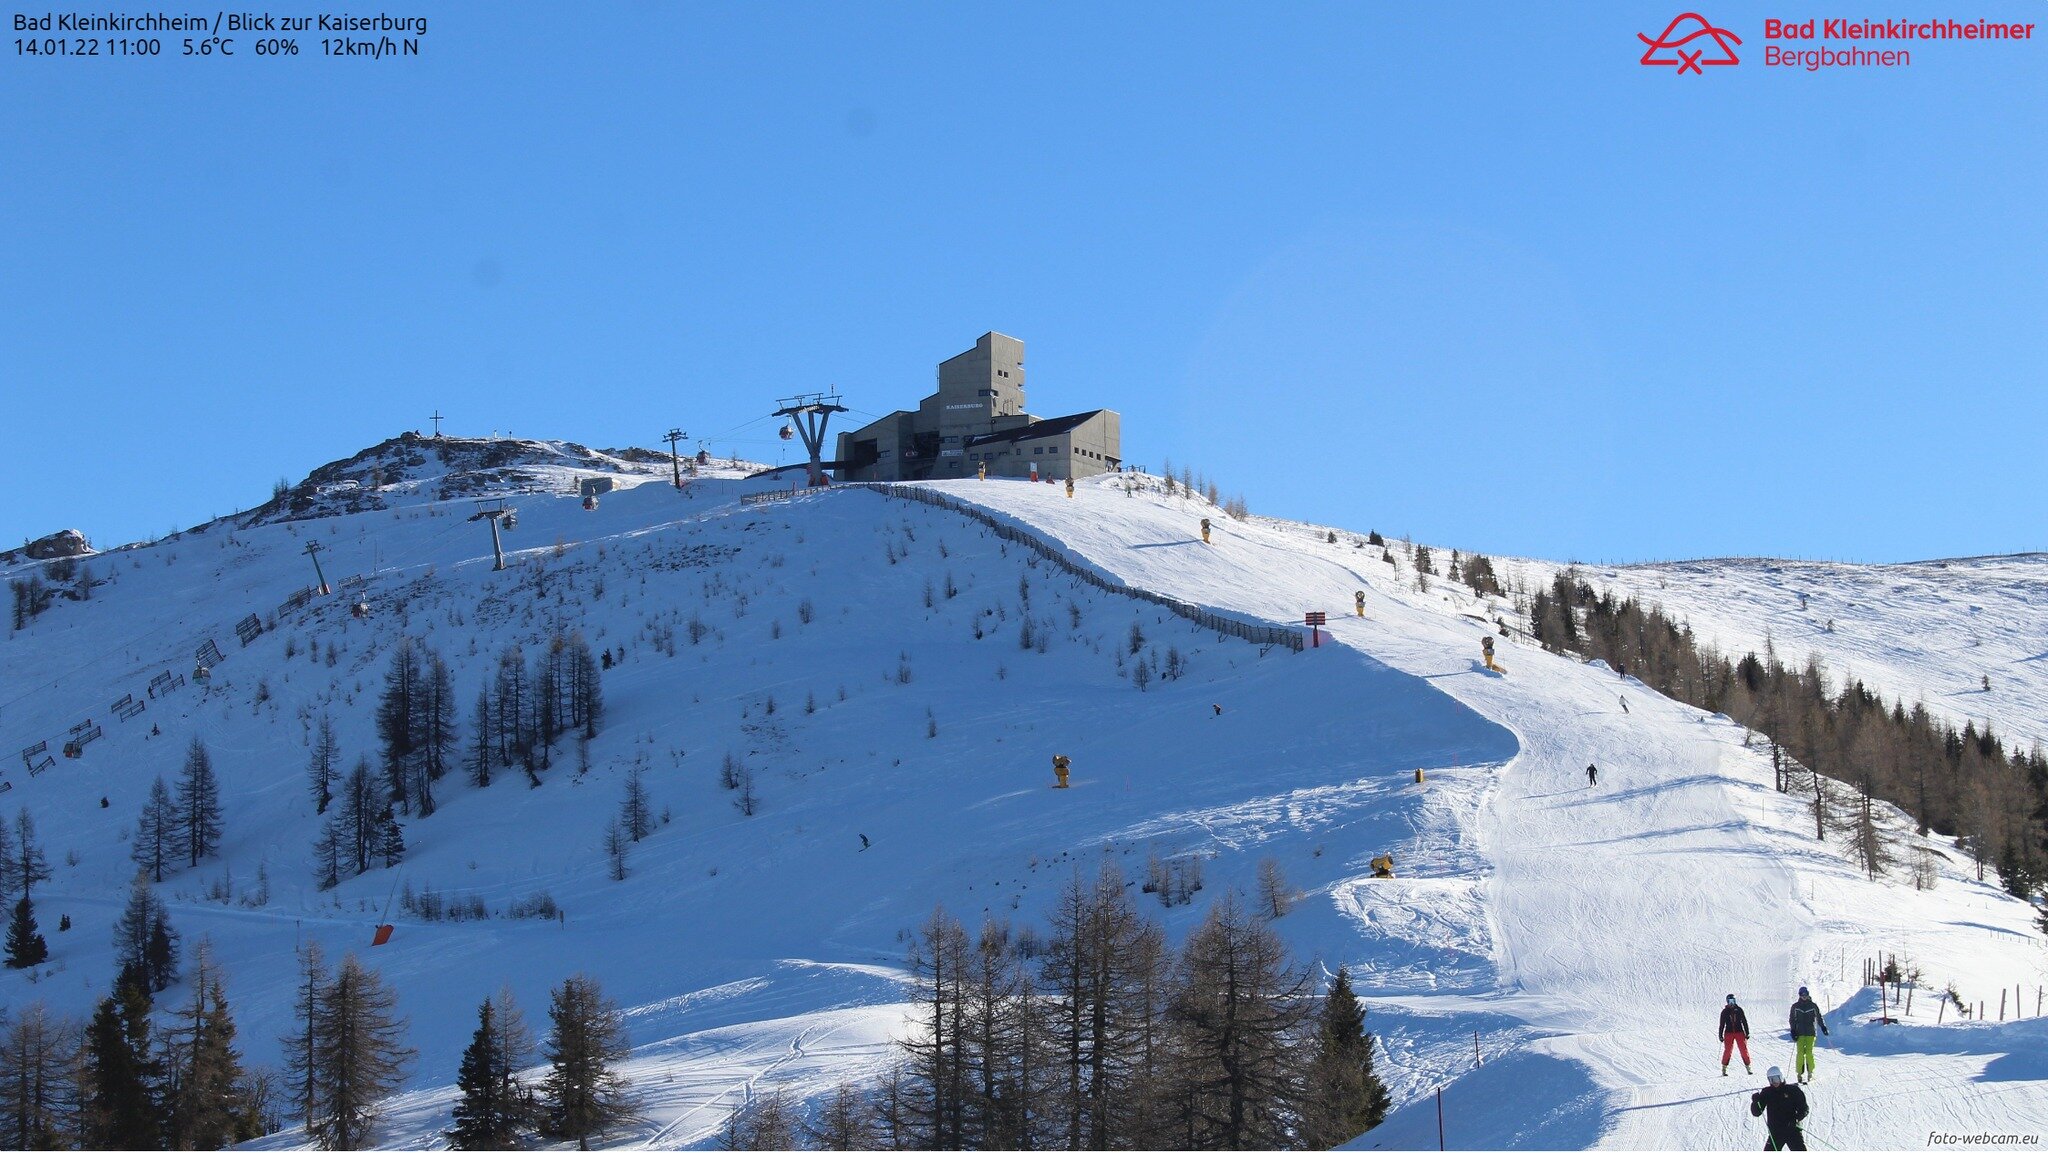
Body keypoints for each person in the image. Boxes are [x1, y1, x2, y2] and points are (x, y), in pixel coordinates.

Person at [1749, 1067, 1808, 1150]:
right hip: (1776, 1132)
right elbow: (1756, 1113)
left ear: (1781, 1077)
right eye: (1771, 1079)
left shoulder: (1793, 1090)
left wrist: (1796, 1119)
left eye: (1776, 1079)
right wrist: (1755, 1102)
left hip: (1792, 1130)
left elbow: (1804, 1108)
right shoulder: (1767, 1092)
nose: (1774, 1082)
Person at [1789, 986, 1829, 1083]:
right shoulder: (1795, 1006)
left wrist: (1823, 1027)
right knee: (1800, 1053)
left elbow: (1819, 1017)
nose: (1804, 996)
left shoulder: (1813, 1006)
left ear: (1808, 994)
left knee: (1809, 1053)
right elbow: (1792, 1019)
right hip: (1800, 1033)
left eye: (1805, 994)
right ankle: (1799, 1074)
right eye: (1802, 994)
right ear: (1799, 995)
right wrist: (1793, 1030)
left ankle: (1810, 1072)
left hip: (1811, 1033)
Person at [1720, 993, 1753, 1076]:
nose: (1731, 1003)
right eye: (1730, 1001)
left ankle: (1748, 1067)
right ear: (1727, 1002)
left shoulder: (1739, 1010)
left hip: (1739, 1032)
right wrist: (1720, 1035)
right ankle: (1724, 1068)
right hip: (1729, 1033)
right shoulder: (1725, 1011)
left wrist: (1747, 1032)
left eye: (1733, 1001)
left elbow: (1744, 1021)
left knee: (1743, 1050)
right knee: (1728, 1050)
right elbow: (1722, 1024)